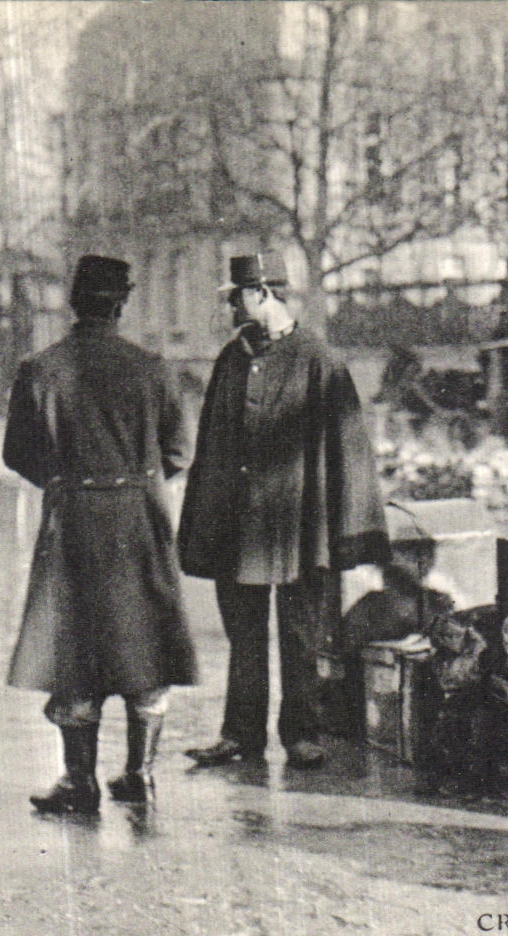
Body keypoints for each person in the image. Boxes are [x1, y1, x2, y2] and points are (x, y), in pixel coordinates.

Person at [177, 254, 390, 769]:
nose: (231, 305)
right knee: (243, 634)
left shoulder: (319, 359)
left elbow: (349, 448)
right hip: (239, 526)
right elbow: (211, 445)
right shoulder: (232, 358)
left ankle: (302, 732)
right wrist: (203, 519)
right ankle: (241, 734)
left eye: (237, 295)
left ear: (263, 293)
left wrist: (348, 527)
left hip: (298, 524)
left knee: (300, 633)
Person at [4, 255, 197, 813]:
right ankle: (140, 775)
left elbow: (17, 452)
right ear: (122, 303)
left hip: (74, 521)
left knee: (77, 649)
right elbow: (179, 452)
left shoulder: (40, 369)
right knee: (144, 646)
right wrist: (135, 480)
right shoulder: (155, 369)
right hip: (138, 519)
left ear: (73, 302)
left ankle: (79, 781)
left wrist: (64, 480)